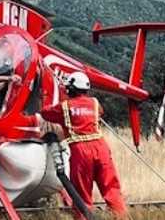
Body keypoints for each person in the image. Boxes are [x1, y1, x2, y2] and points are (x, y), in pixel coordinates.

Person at [37, 71, 128, 218]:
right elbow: (99, 113)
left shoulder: (64, 107)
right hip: (101, 147)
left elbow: (45, 113)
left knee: (81, 193)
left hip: (81, 151)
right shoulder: (95, 103)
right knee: (111, 188)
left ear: (70, 89)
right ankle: (122, 216)